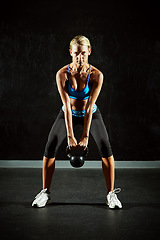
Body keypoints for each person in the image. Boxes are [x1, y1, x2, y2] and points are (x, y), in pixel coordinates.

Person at [32, 35, 122, 209]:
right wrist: (70, 136)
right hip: (68, 113)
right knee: (50, 145)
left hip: (91, 113)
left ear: (89, 52)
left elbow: (89, 107)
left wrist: (86, 136)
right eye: (75, 54)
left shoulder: (97, 75)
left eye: (83, 53)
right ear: (70, 53)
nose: (80, 58)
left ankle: (111, 194)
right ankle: (45, 192)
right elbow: (65, 104)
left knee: (105, 145)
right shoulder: (62, 74)